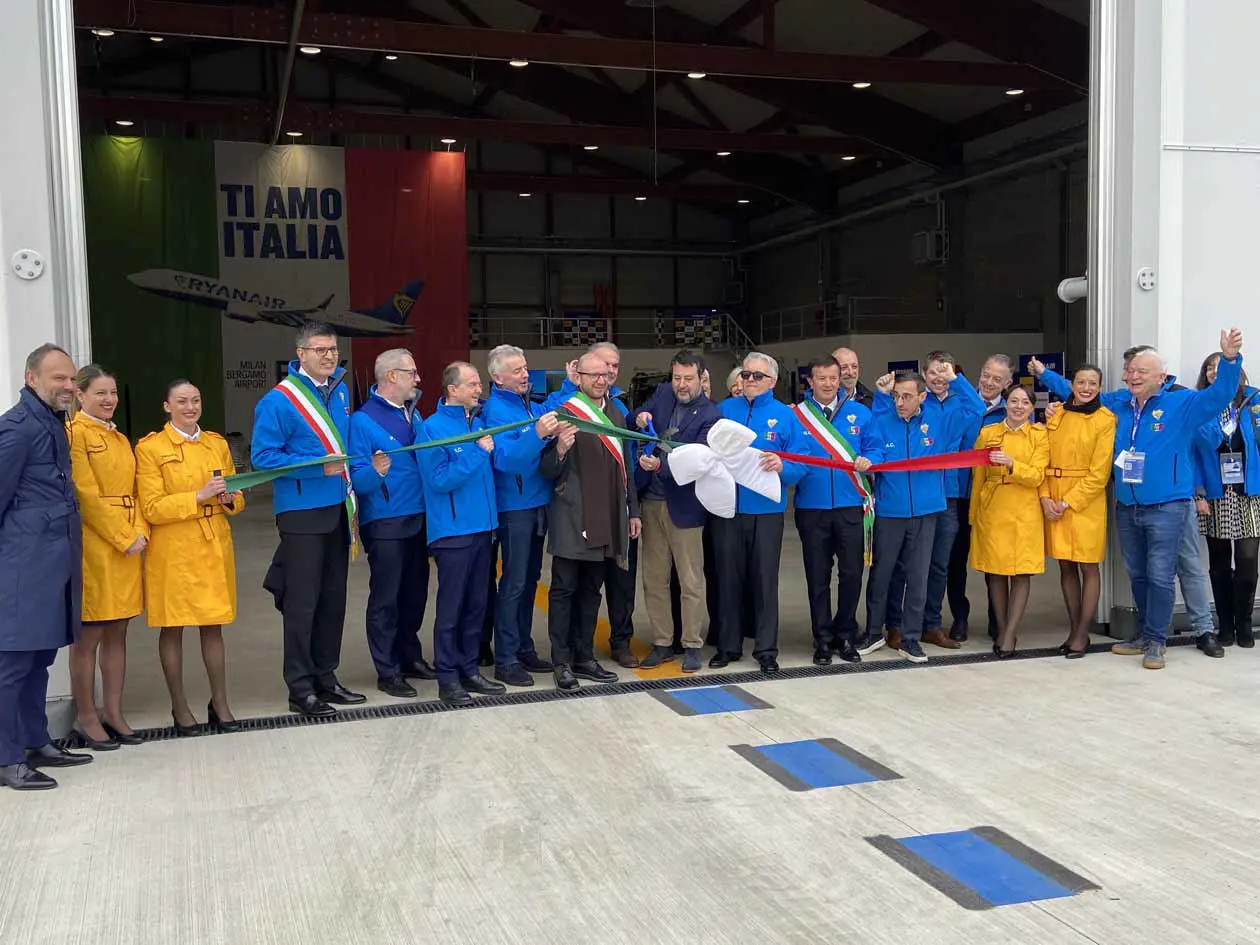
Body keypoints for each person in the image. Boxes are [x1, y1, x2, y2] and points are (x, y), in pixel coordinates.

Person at [1035, 350, 1223, 656]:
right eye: (1129, 370)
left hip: (1173, 503)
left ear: (1160, 375)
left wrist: (1229, 360)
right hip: (1130, 504)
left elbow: (1216, 409)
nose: (1133, 376)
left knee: (1175, 571)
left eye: (1140, 371)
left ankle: (1185, 635)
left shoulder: (1180, 401)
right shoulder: (1118, 404)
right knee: (1139, 573)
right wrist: (1045, 376)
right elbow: (1083, 392)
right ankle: (1147, 635)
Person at [253, 322, 364, 719]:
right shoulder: (280, 400)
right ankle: (300, 687)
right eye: (320, 350)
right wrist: (318, 467)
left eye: (333, 349)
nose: (329, 356)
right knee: (303, 603)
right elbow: (263, 458)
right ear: (300, 354)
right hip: (301, 511)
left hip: (337, 507)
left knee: (333, 599)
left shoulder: (340, 391)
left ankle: (326, 676)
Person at [0, 344, 92, 790]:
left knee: (39, 659)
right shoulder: (17, 428)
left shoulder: (53, 425)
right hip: (24, 568)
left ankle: (36, 741)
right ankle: (6, 758)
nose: (68, 387)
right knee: (12, 664)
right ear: (31, 377)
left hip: (53, 565)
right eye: (59, 378)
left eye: (72, 379)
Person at [137, 380, 245, 735]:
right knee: (173, 627)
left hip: (213, 543)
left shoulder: (216, 444)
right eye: (181, 401)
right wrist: (198, 496)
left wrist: (230, 498)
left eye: (196, 400)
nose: (190, 407)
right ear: (167, 406)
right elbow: (151, 507)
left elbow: (237, 497)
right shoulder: (151, 448)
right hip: (173, 548)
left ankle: (221, 703)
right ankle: (180, 707)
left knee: (213, 625)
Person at [855, 371, 982, 663]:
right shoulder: (882, 421)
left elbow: (975, 408)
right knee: (881, 574)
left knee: (918, 576)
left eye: (907, 396)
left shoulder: (939, 422)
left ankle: (911, 638)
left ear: (922, 397)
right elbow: (872, 451)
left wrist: (957, 379)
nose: (900, 402)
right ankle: (875, 632)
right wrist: (868, 463)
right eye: (897, 396)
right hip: (890, 511)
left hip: (926, 512)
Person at [541, 352, 640, 691]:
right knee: (564, 590)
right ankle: (562, 660)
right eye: (593, 374)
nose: (601, 379)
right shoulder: (565, 412)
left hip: (608, 516)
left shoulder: (615, 413)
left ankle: (584, 655)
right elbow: (546, 470)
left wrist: (633, 511)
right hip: (573, 515)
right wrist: (561, 451)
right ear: (578, 376)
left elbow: (627, 467)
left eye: (605, 374)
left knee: (591, 591)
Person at [711, 352, 808, 673]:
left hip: (766, 511)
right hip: (727, 509)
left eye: (757, 376)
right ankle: (728, 645)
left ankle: (766, 649)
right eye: (746, 375)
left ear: (773, 382)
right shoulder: (724, 410)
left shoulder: (786, 416)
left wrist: (784, 466)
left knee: (765, 581)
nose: (749, 381)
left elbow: (802, 463)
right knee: (727, 579)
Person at [348, 349, 436, 701]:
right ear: (391, 377)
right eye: (412, 372)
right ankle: (388, 669)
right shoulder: (362, 421)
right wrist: (375, 472)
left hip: (418, 516)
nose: (418, 378)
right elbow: (356, 476)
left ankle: (410, 655)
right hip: (385, 519)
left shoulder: (413, 415)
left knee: (414, 593)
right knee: (386, 597)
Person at [68, 365, 148, 749]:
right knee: (90, 635)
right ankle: (86, 714)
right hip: (97, 545)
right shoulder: (75, 435)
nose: (109, 400)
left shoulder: (117, 438)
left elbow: (135, 490)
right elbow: (85, 496)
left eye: (112, 392)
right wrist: (122, 536)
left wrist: (140, 532)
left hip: (129, 543)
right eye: (100, 393)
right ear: (80, 395)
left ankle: (113, 712)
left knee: (119, 630)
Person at [418, 362, 506, 706]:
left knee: (476, 605)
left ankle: (469, 669)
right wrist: (475, 451)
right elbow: (439, 480)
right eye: (471, 384)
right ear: (452, 389)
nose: (478, 389)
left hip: (483, 529)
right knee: (452, 607)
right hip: (453, 532)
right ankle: (448, 676)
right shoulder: (432, 429)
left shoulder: (478, 423)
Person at [634, 350, 720, 673]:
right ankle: (661, 641)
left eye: (688, 379)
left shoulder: (711, 415)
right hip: (652, 501)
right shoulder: (662, 394)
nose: (681, 385)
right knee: (654, 577)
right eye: (677, 378)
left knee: (690, 579)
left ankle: (692, 644)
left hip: (685, 505)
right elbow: (635, 417)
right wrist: (640, 418)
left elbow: (701, 461)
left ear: (701, 378)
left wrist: (661, 465)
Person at [481, 346, 561, 687]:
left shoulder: (525, 402)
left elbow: (548, 410)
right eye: (516, 370)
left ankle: (524, 646)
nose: (525, 374)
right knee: (513, 584)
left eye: (525, 367)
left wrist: (570, 385)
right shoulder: (496, 410)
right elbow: (506, 458)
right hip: (514, 506)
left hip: (535, 501)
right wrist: (538, 433)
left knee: (529, 581)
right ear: (497, 377)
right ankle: (507, 658)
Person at [793, 355, 872, 665]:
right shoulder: (797, 416)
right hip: (812, 508)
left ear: (841, 380)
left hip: (851, 505)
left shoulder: (860, 414)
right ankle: (823, 639)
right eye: (821, 378)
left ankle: (845, 634)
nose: (827, 384)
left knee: (852, 574)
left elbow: (874, 447)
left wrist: (870, 459)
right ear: (810, 382)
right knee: (817, 576)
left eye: (832, 378)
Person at [1037, 364, 1116, 658]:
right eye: (1081, 382)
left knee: (1087, 565)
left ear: (1099, 387)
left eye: (1092, 383)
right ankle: (1074, 629)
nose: (1085, 388)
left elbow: (1099, 472)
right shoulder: (1057, 414)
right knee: (1065, 565)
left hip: (1085, 501)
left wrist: (1069, 501)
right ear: (1071, 384)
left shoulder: (1105, 419)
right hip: (1054, 496)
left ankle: (1082, 634)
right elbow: (1042, 456)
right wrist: (1046, 497)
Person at [969, 386, 1049, 657]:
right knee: (996, 571)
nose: (1018, 406)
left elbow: (1038, 475)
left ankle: (1011, 631)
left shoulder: (1039, 435)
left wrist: (1013, 464)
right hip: (993, 507)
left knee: (1021, 571)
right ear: (1006, 404)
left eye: (1024, 402)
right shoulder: (988, 433)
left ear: (1031, 408)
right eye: (1013, 401)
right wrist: (974, 513)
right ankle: (1001, 628)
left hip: (1025, 509)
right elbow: (978, 476)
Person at [1193, 352, 1260, 649]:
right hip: (1215, 493)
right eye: (1209, 368)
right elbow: (1193, 451)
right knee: (1219, 565)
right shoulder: (1200, 404)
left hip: (1249, 492)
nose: (1213, 372)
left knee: (1247, 561)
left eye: (1219, 368)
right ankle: (1225, 625)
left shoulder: (1254, 401)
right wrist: (1198, 492)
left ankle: (1244, 623)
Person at [947, 354, 1013, 643]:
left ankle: (996, 619)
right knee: (954, 560)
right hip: (959, 494)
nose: (988, 382)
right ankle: (959, 617)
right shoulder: (959, 402)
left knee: (993, 562)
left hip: (992, 498)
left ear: (1008, 383)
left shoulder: (1013, 411)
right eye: (986, 374)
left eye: (997, 379)